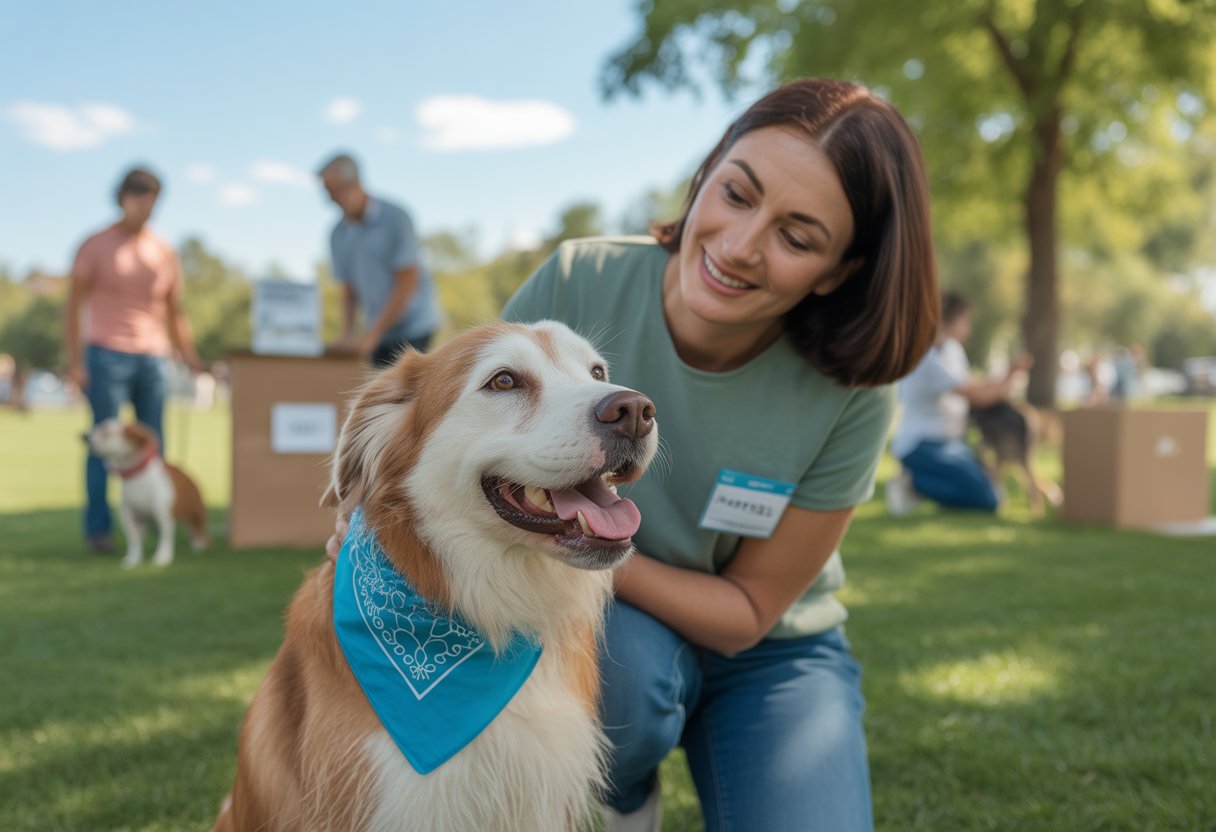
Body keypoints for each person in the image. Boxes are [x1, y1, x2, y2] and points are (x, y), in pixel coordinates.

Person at [499, 78, 940, 831]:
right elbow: (467, 442)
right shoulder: (581, 279)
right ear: (706, 173)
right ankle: (621, 791)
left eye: (797, 238)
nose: (739, 247)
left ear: (839, 272)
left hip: (771, 650)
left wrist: (593, 539)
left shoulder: (855, 391)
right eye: (737, 194)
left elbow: (746, 614)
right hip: (608, 620)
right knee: (625, 683)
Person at [64, 166, 207, 553]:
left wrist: (191, 358)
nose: (146, 207)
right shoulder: (94, 245)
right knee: (102, 444)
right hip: (105, 354)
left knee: (152, 451)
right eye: (139, 198)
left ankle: (152, 529)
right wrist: (75, 362)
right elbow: (73, 306)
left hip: (153, 357)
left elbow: (175, 311)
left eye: (153, 201)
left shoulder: (163, 251)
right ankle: (99, 530)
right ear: (123, 198)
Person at [886, 291, 1028, 516]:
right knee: (987, 499)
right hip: (922, 445)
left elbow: (974, 383)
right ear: (948, 321)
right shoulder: (927, 358)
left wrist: (1007, 375)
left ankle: (922, 483)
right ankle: (914, 483)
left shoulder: (951, 350)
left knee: (994, 493)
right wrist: (1011, 378)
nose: (969, 328)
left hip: (950, 443)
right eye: (965, 321)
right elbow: (978, 396)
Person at [317, 152, 442, 367]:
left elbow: (407, 282)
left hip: (414, 328)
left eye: (333, 193)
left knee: (406, 394)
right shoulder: (337, 233)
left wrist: (373, 333)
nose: (329, 200)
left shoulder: (396, 218)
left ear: (352, 185)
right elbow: (348, 290)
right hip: (379, 332)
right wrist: (347, 334)